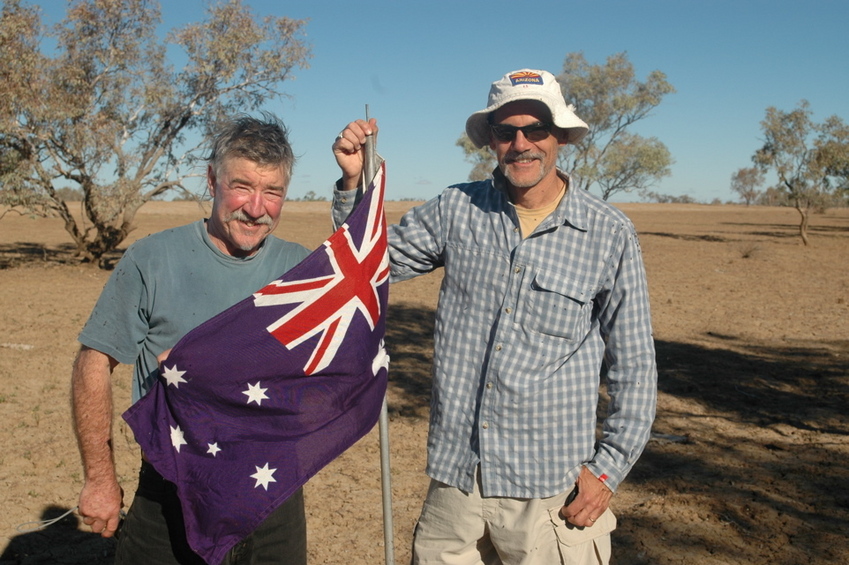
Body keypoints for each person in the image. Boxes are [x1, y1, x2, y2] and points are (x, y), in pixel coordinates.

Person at [332, 69, 657, 565]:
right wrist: (355, 184)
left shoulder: (609, 234)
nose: (521, 143)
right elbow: (367, 264)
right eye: (506, 132)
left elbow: (634, 367)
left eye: (536, 130)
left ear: (561, 137)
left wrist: (608, 470)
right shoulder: (456, 208)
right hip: (455, 484)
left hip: (549, 492)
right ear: (492, 141)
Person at [71, 114, 310, 564]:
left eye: (272, 192)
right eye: (242, 186)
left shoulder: (301, 269)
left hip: (272, 492)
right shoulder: (152, 259)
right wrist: (100, 478)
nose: (256, 208)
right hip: (172, 489)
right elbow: (94, 361)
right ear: (212, 181)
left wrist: (356, 182)